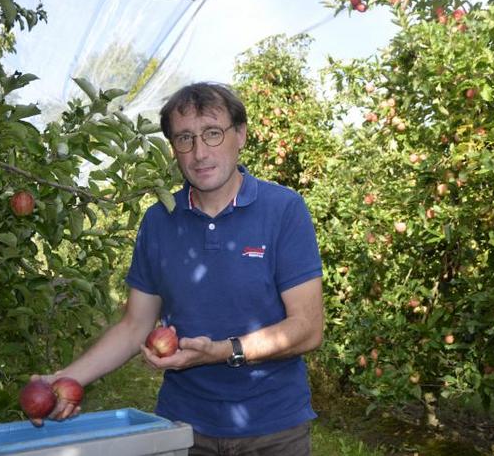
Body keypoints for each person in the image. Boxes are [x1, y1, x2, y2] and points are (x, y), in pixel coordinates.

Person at [33, 82, 324, 456]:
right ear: (173, 149)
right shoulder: (159, 221)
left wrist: (222, 351)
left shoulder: (283, 209)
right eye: (185, 138)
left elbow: (307, 328)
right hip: (182, 428)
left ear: (241, 136)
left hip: (273, 428)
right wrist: (64, 380)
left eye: (212, 134)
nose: (199, 152)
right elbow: (135, 325)